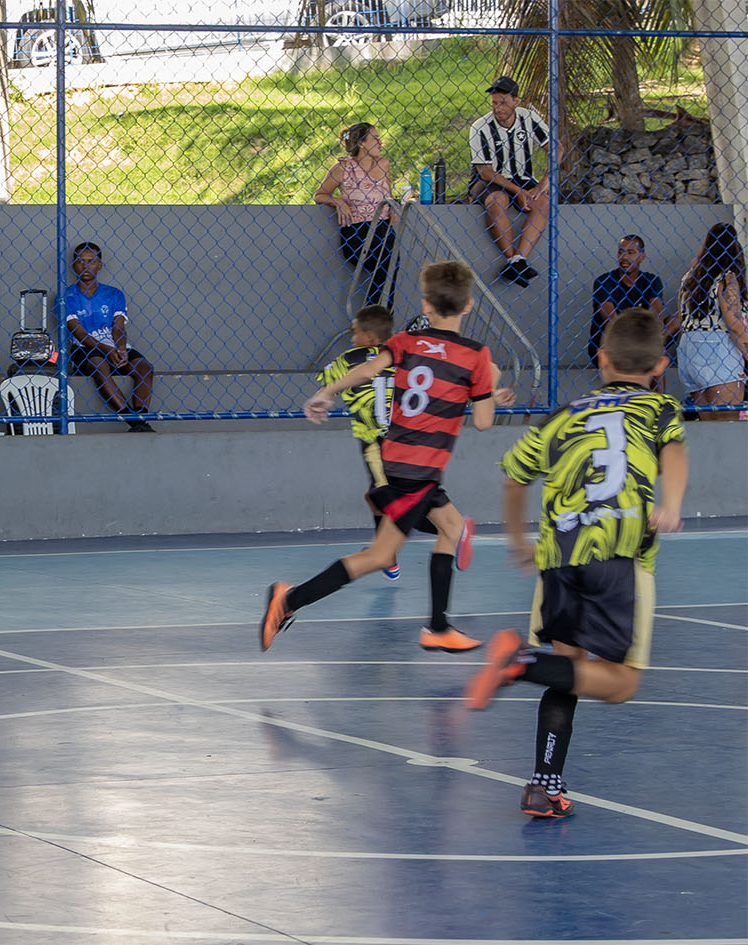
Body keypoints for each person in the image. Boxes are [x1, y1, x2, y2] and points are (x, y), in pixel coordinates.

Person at [464, 308, 688, 819]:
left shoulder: (565, 413)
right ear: (661, 366)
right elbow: (674, 452)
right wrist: (672, 503)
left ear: (602, 359)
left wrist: (519, 542)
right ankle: (520, 664)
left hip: (560, 555)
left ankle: (544, 786)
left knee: (568, 669)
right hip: (621, 555)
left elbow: (514, 479)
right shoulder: (659, 406)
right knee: (621, 683)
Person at [262, 260, 516, 653]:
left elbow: (367, 370)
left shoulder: (404, 342)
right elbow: (483, 422)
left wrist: (326, 393)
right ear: (469, 306)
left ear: (426, 304)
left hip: (399, 460)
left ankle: (438, 625)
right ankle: (289, 599)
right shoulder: (475, 355)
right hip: (419, 470)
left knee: (451, 528)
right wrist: (488, 388)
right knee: (378, 556)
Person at [316, 304, 407, 581]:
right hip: (405, 438)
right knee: (376, 495)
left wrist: (322, 396)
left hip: (374, 440)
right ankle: (388, 556)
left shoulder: (349, 359)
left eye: (355, 332)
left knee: (384, 495)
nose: (352, 337)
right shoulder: (400, 356)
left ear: (369, 336)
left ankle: (446, 529)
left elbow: (327, 383)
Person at [63, 242, 157, 432]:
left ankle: (140, 415)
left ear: (100, 265)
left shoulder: (114, 294)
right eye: (81, 261)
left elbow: (119, 328)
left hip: (113, 346)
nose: (86, 266)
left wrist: (120, 348)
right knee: (100, 365)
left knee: (145, 368)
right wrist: (108, 350)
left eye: (91, 261)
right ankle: (136, 423)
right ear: (73, 265)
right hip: (85, 349)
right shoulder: (66, 295)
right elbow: (79, 333)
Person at [469, 76, 551, 287]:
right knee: (497, 200)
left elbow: (556, 149)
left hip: (523, 178)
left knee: (543, 203)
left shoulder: (528, 118)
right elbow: (485, 172)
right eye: (494, 103)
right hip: (492, 181)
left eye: (503, 103)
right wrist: (519, 192)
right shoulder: (480, 127)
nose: (498, 108)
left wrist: (544, 183)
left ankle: (518, 260)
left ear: (516, 101)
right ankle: (513, 259)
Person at [314, 123, 400, 307]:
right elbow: (320, 195)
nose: (381, 143)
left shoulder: (383, 165)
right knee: (387, 261)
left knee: (390, 263)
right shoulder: (343, 169)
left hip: (383, 228)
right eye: (375, 138)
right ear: (361, 143)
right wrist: (338, 201)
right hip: (357, 230)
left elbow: (388, 195)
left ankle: (376, 314)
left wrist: (394, 206)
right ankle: (376, 314)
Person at [667, 223, 746, 419]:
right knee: (727, 423)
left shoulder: (689, 279)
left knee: (707, 424)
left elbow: (681, 318)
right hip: (719, 350)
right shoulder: (727, 278)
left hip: (689, 351)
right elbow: (735, 326)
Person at [588, 235, 665, 365]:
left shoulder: (651, 280)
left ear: (642, 257)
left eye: (631, 252)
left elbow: (656, 314)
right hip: (613, 343)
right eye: (621, 252)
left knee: (674, 321)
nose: (624, 257)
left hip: (643, 340)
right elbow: (611, 320)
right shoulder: (604, 281)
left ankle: (645, 353)